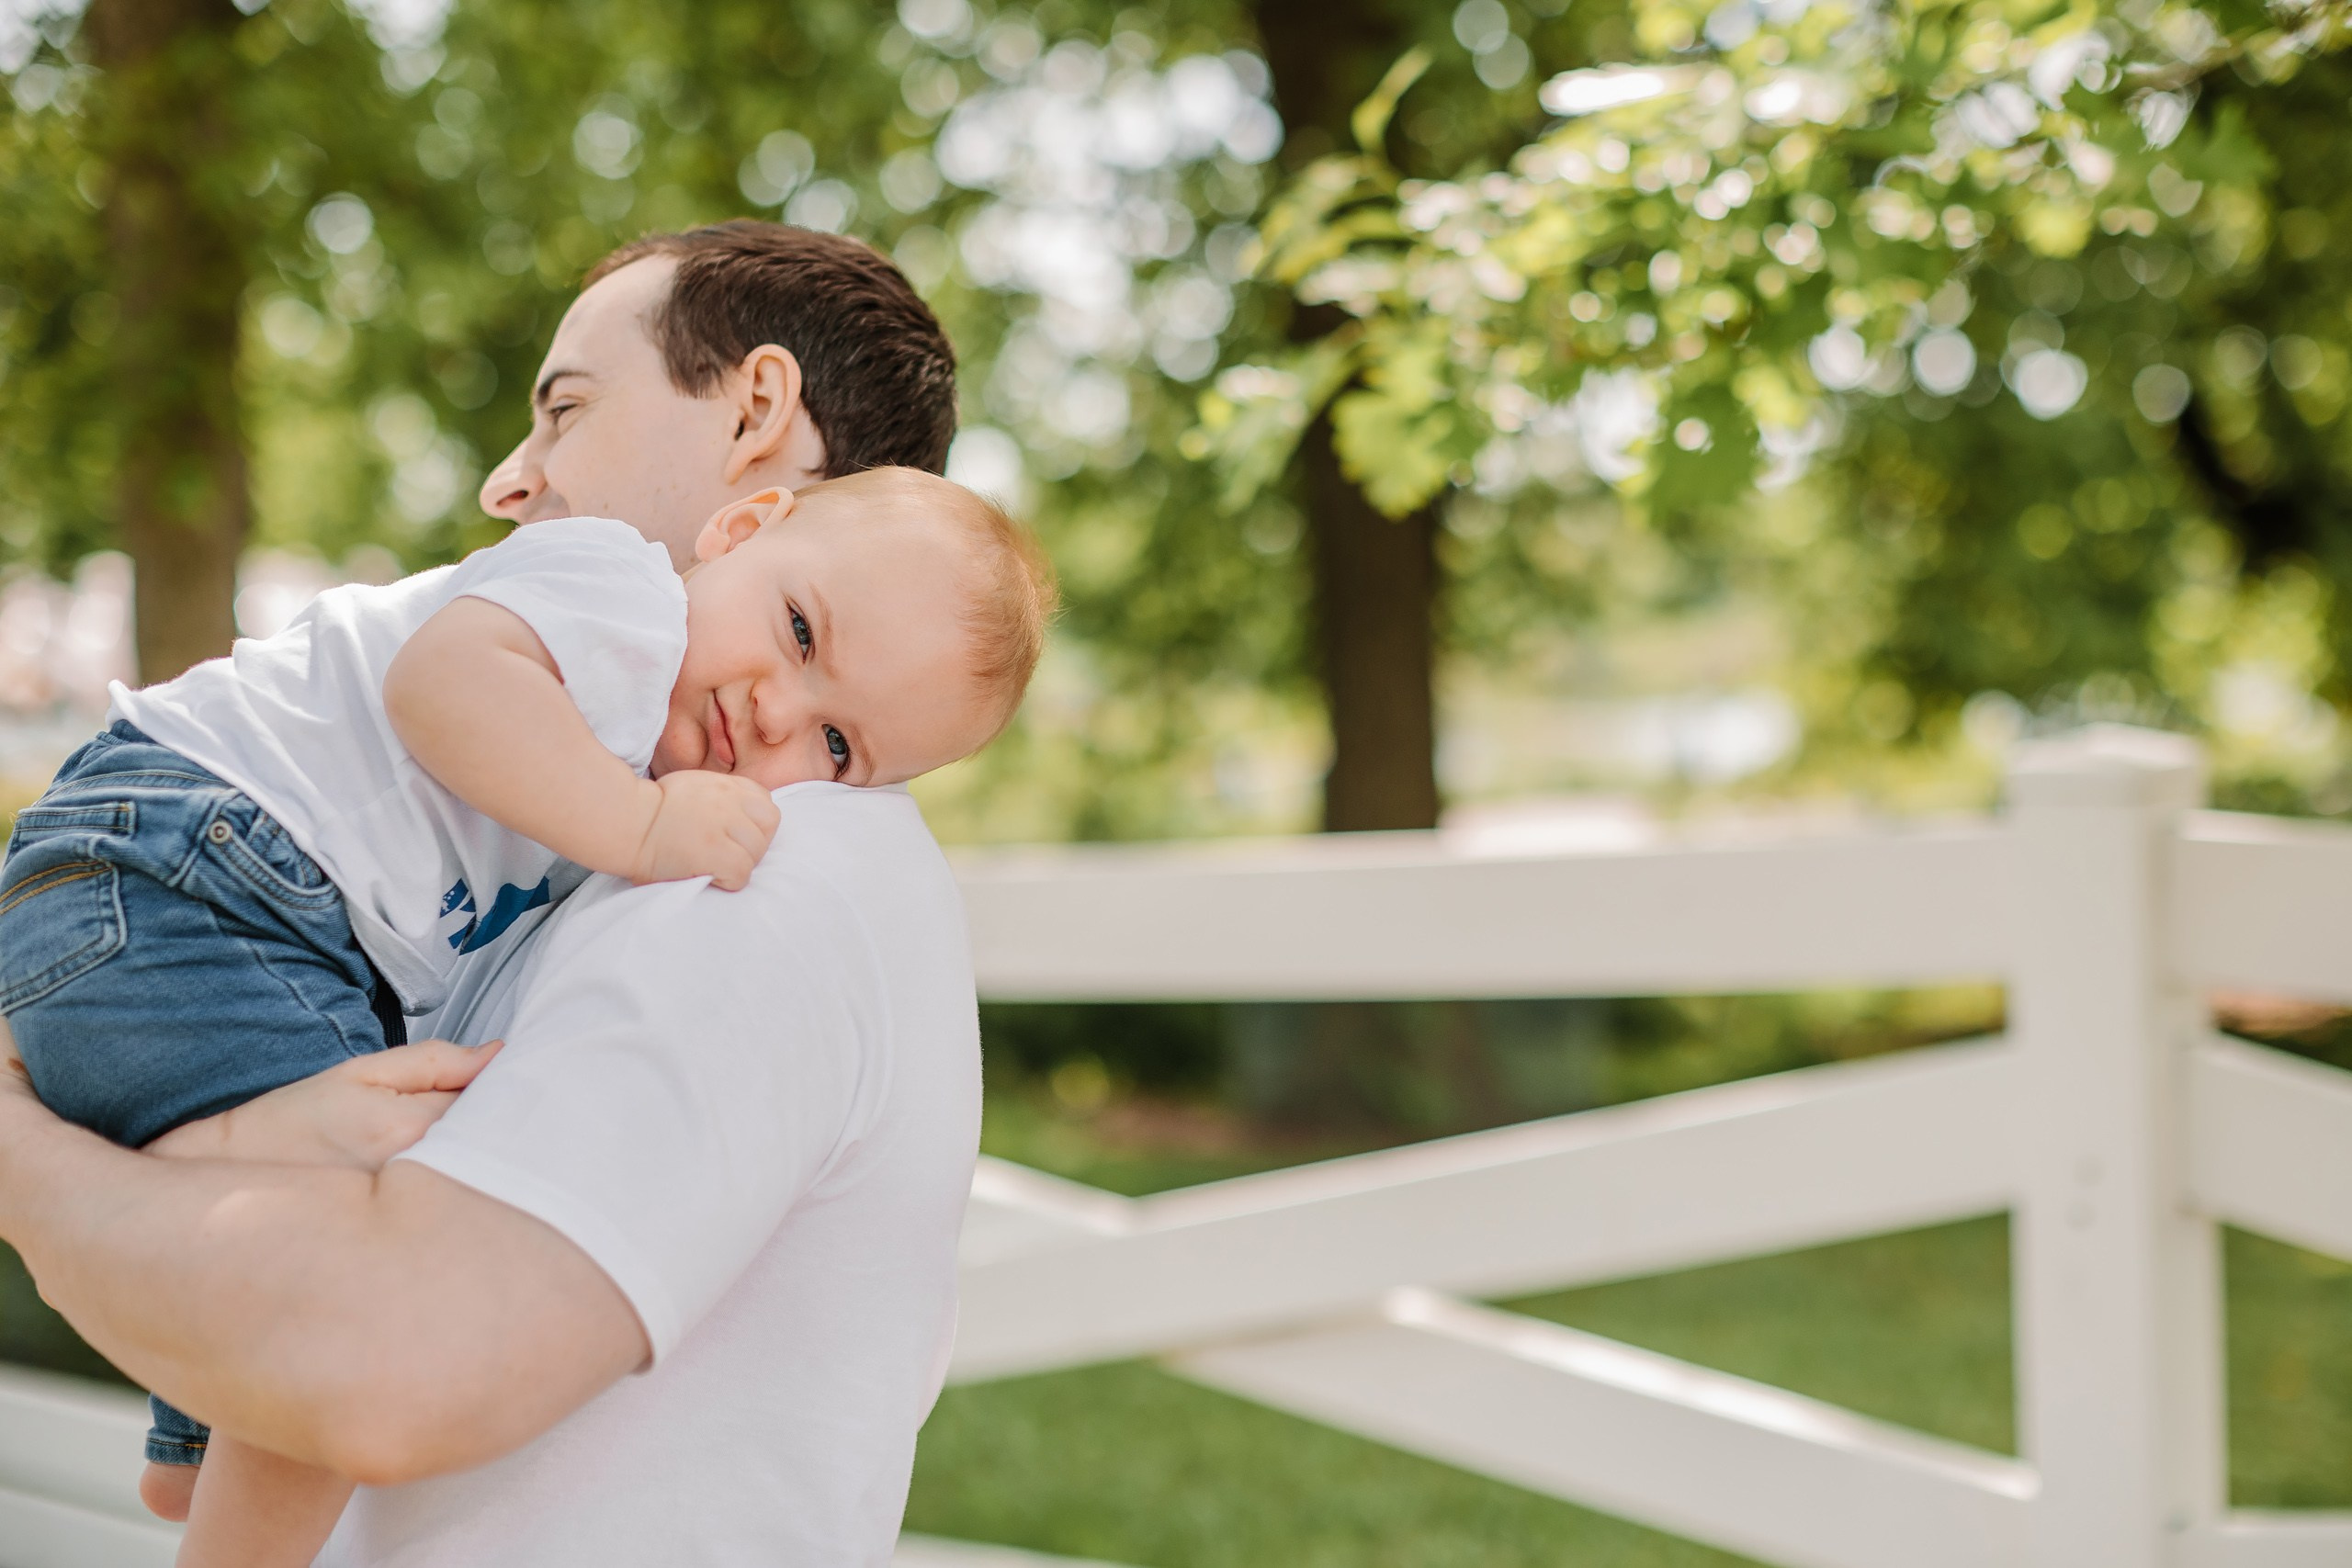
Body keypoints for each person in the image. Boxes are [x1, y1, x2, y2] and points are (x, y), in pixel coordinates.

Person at [0, 220, 1018, 1565]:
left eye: (567, 410)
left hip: (205, 864)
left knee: (316, 1172)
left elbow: (377, 1364)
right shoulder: (616, 653)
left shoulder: (778, 849)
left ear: (757, 419)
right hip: (200, 849)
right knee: (306, 1155)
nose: (505, 483)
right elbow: (441, 700)